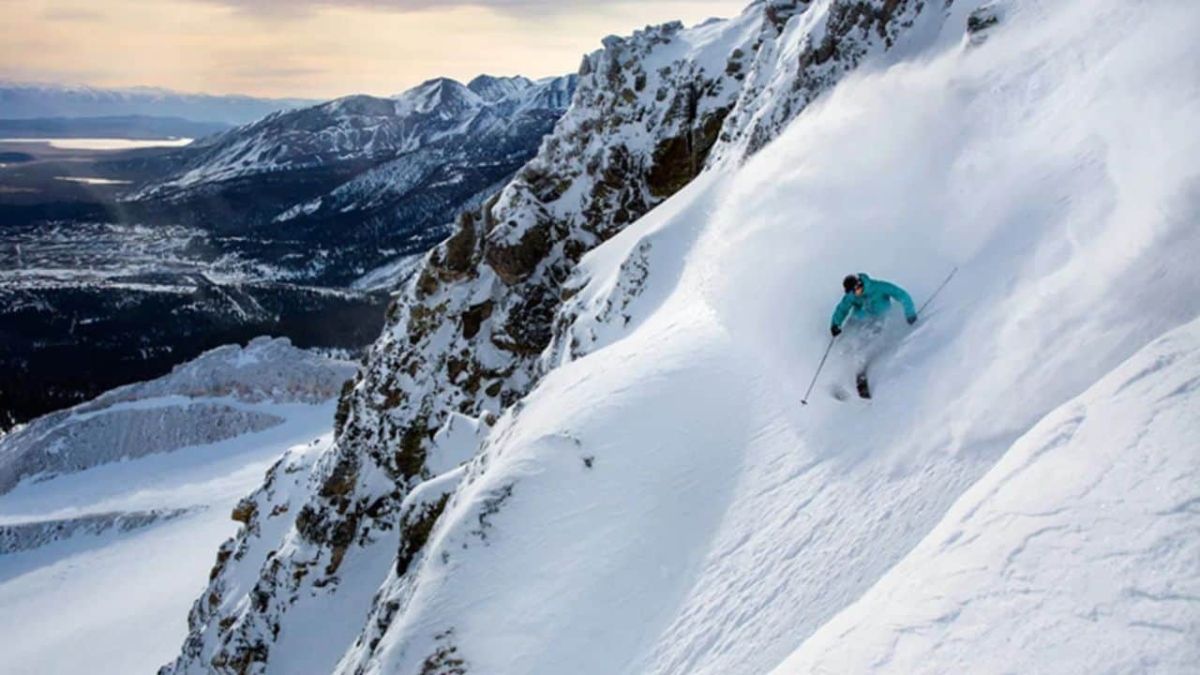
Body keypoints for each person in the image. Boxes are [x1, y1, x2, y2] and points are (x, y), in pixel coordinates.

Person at [829, 273, 917, 398]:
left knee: (866, 343)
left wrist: (910, 313)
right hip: (858, 320)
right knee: (846, 341)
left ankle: (860, 374)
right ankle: (837, 376)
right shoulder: (851, 295)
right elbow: (842, 309)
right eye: (851, 293)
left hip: (877, 321)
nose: (855, 295)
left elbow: (902, 295)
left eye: (856, 291)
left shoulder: (879, 287)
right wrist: (835, 324)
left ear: (859, 284)